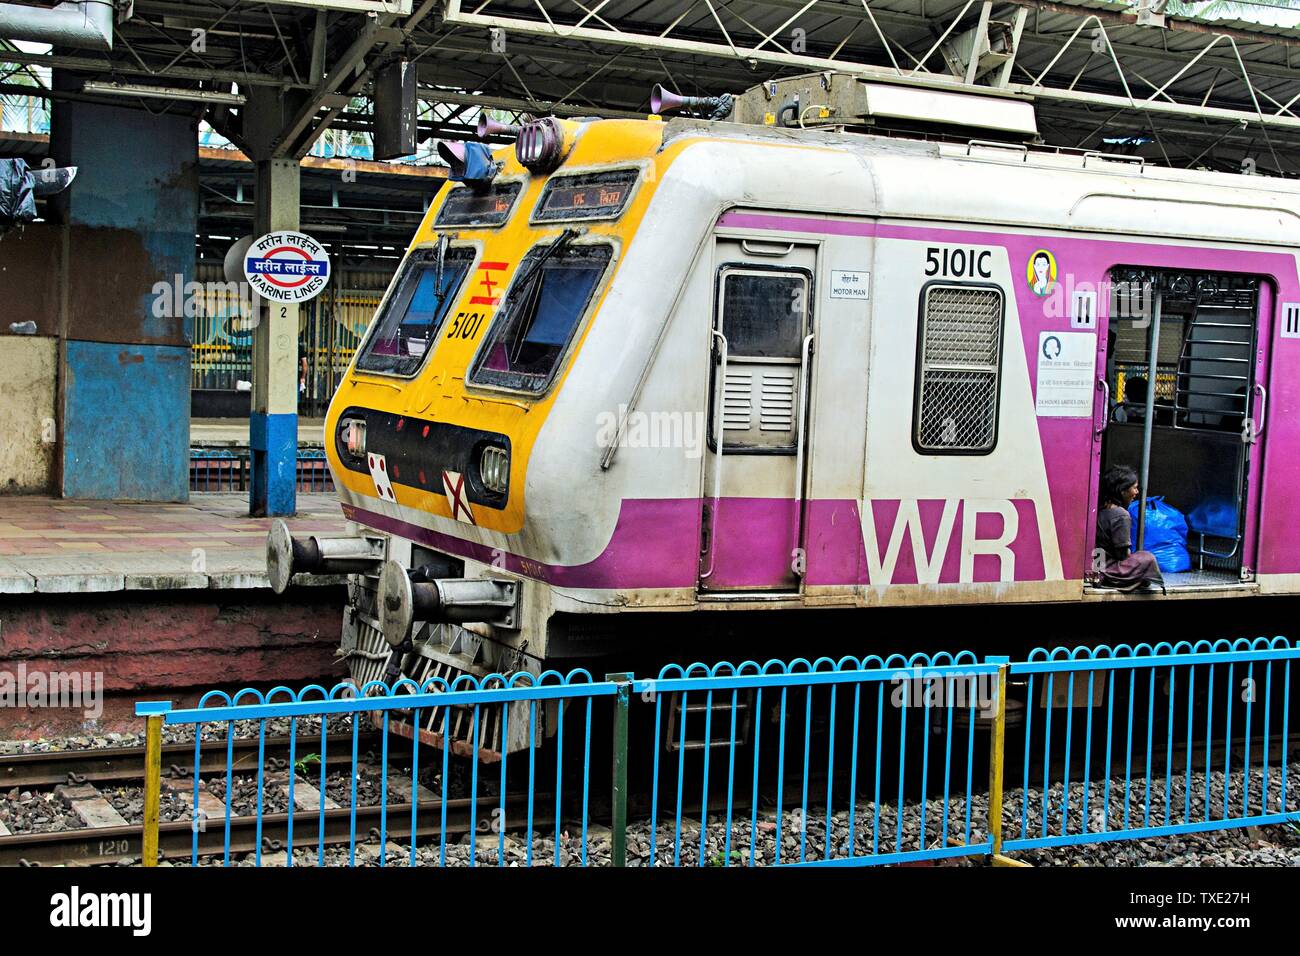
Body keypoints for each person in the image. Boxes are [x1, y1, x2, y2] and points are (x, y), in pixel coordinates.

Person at [1095, 465, 1165, 592]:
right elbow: (1123, 555)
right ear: (1122, 491)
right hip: (1109, 571)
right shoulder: (1120, 514)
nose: (1137, 492)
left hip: (1097, 565)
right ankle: (1131, 581)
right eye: (1135, 488)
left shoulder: (1100, 509)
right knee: (1147, 558)